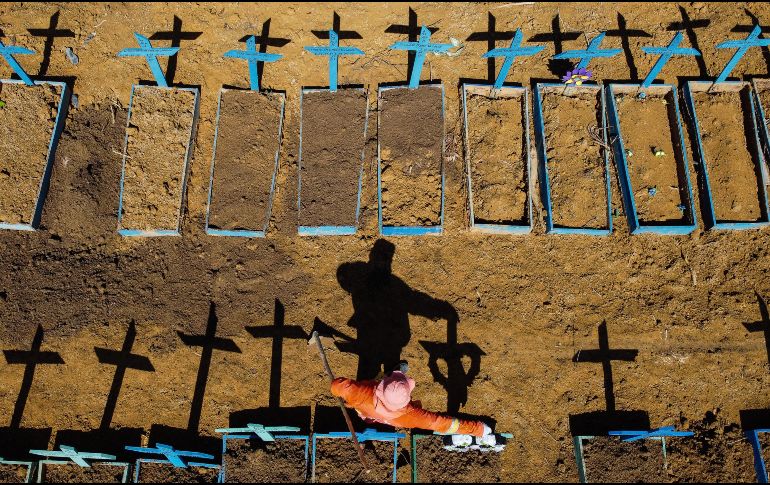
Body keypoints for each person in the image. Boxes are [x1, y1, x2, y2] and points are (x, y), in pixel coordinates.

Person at [330, 370, 493, 439]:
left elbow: (339, 387)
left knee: (369, 417)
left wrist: (337, 387)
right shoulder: (413, 416)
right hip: (398, 420)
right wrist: (477, 429)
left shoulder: (361, 393)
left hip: (371, 414)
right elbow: (444, 423)